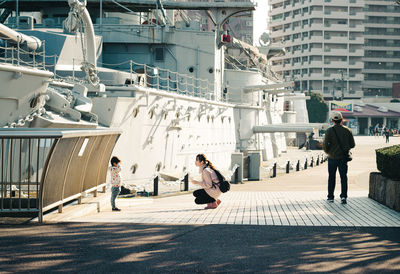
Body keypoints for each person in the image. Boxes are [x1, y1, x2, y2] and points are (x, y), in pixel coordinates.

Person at [323, 112, 355, 204]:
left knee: (331, 177)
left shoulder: (329, 131)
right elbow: (352, 144)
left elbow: (325, 145)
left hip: (332, 158)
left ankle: (330, 197)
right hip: (343, 158)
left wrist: (329, 152)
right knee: (343, 177)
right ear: (342, 120)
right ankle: (343, 196)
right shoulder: (347, 131)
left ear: (333, 120)